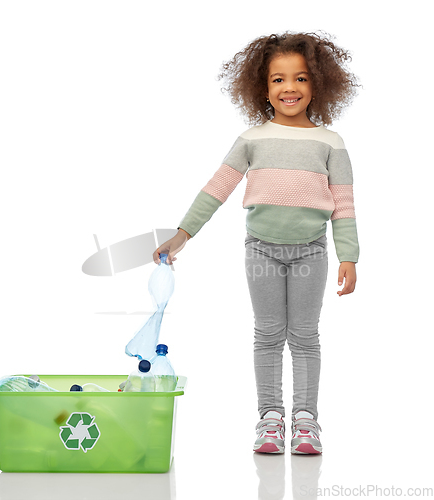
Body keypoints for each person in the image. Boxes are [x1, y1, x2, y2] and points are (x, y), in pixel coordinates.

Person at [152, 31, 360, 455]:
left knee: (304, 336)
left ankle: (305, 421)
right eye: (278, 79)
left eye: (301, 79)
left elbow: (343, 203)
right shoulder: (251, 139)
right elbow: (218, 188)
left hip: (312, 251)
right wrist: (182, 234)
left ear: (318, 84)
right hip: (261, 249)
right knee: (267, 334)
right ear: (262, 87)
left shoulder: (331, 143)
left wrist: (349, 256)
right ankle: (269, 419)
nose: (290, 88)